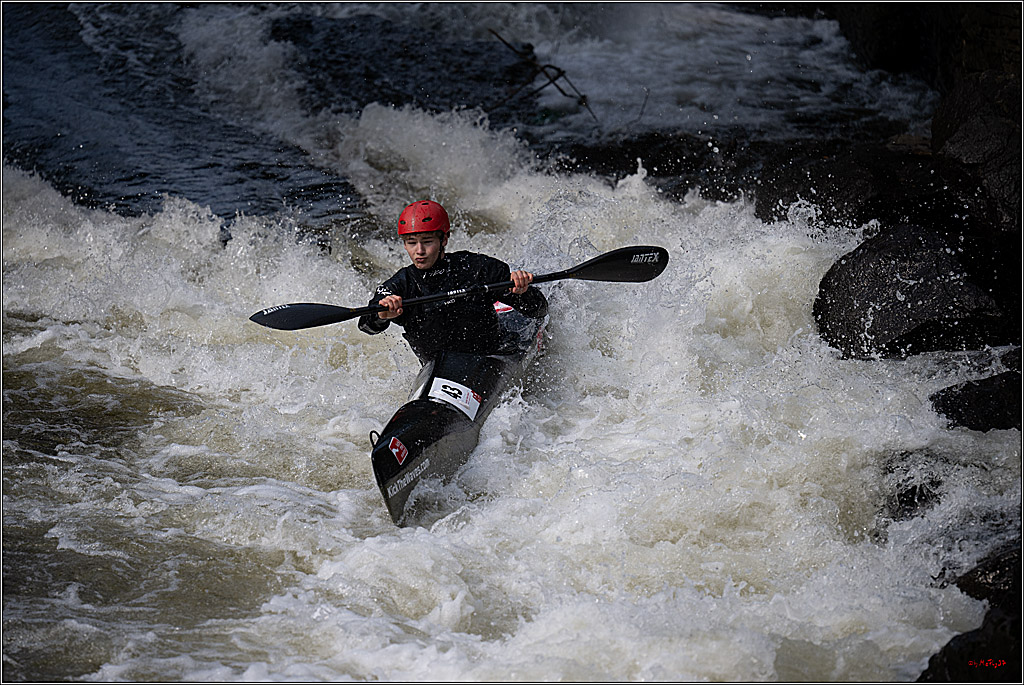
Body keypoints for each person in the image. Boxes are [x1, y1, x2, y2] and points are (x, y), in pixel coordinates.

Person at [358, 200, 548, 362]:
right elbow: (366, 325)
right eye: (411, 242)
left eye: (427, 241)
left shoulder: (474, 268)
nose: (419, 251)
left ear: (444, 239)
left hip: (492, 355)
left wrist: (522, 291)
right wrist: (382, 315)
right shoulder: (401, 285)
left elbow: (539, 309)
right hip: (438, 369)